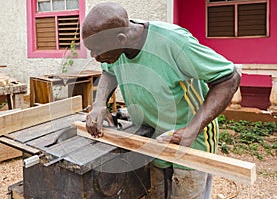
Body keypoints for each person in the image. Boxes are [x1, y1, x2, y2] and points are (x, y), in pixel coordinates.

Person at [81, 2, 240, 199]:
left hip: (190, 139)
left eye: (97, 50)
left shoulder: (173, 41)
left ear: (121, 39)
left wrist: (192, 129)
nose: (94, 56)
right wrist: (99, 104)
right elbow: (109, 72)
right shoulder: (116, 49)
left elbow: (228, 77)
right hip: (154, 137)